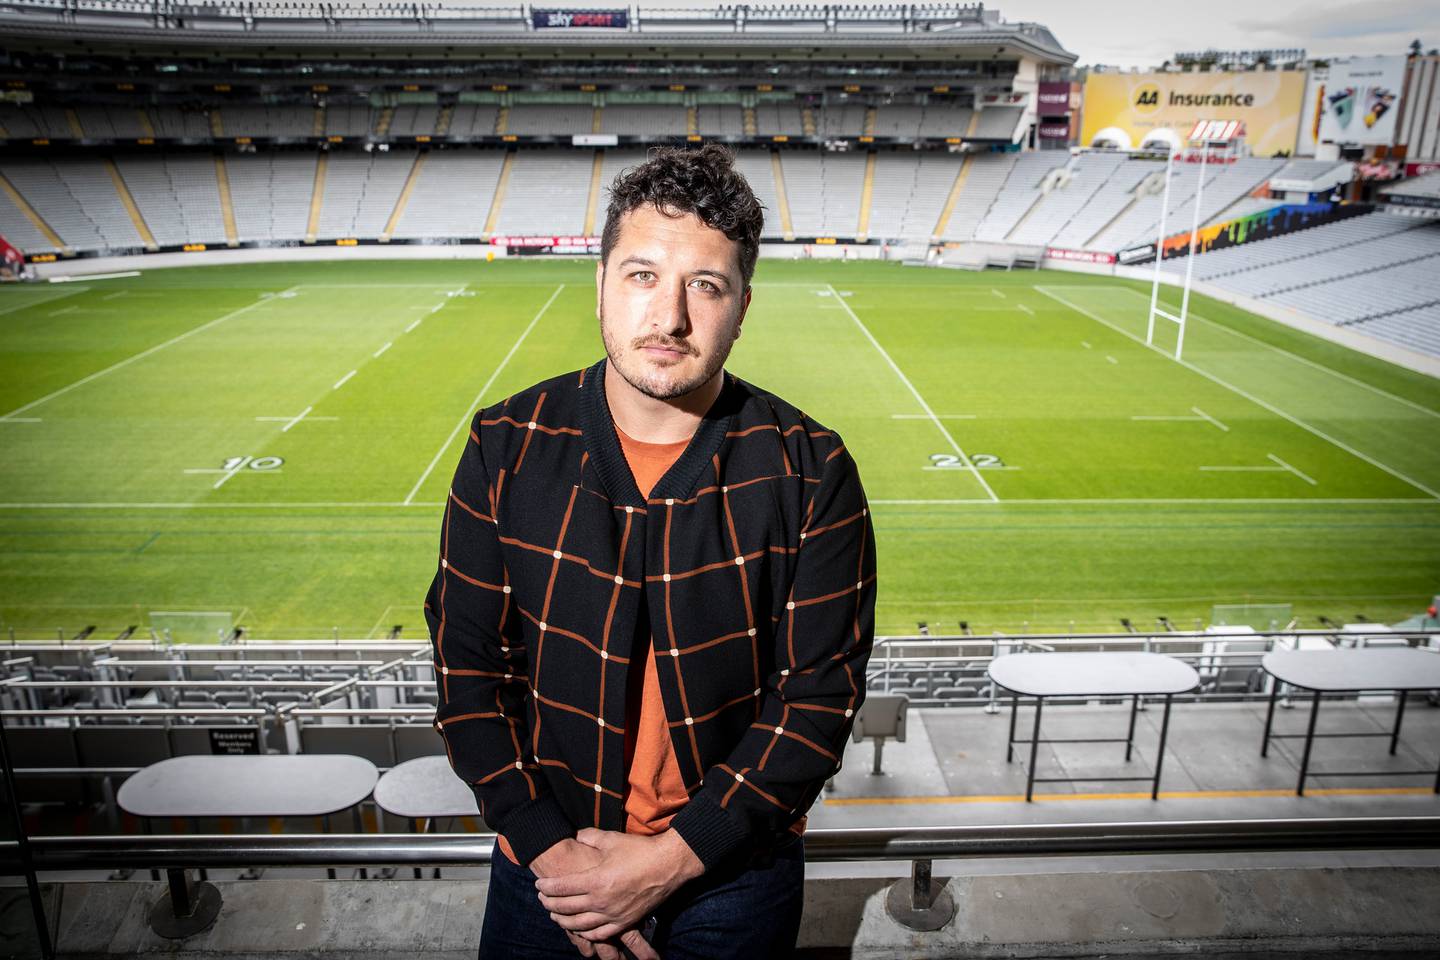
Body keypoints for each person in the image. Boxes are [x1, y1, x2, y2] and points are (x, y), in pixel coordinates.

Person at [424, 142, 876, 959]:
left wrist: (671, 860)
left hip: (735, 874)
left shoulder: (813, 470)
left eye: (705, 286)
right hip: (547, 865)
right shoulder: (506, 446)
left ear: (742, 306)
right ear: (599, 281)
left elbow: (817, 702)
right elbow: (466, 672)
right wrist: (556, 856)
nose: (669, 317)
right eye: (641, 275)